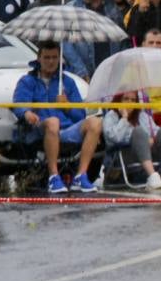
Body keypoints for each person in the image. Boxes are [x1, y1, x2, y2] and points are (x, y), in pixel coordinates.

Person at [12, 41, 103, 193]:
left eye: (54, 57)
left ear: (60, 59)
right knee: (53, 122)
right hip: (38, 128)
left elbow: (80, 115)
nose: (51, 61)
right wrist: (27, 113)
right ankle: (54, 177)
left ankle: (81, 175)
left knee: (95, 122)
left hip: (67, 129)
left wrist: (67, 107)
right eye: (47, 58)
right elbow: (18, 104)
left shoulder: (68, 82)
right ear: (39, 58)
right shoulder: (27, 81)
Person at [103, 90, 161, 190]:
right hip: (125, 153)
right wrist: (124, 118)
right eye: (126, 99)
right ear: (119, 100)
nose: (129, 102)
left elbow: (155, 131)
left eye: (133, 100)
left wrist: (152, 137)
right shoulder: (111, 116)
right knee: (138, 131)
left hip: (149, 152)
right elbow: (114, 138)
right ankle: (152, 176)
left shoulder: (141, 114)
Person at [63, 0, 126, 78]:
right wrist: (81, 71)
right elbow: (66, 46)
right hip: (84, 75)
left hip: (110, 73)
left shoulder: (113, 10)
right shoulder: (71, 9)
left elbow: (123, 41)